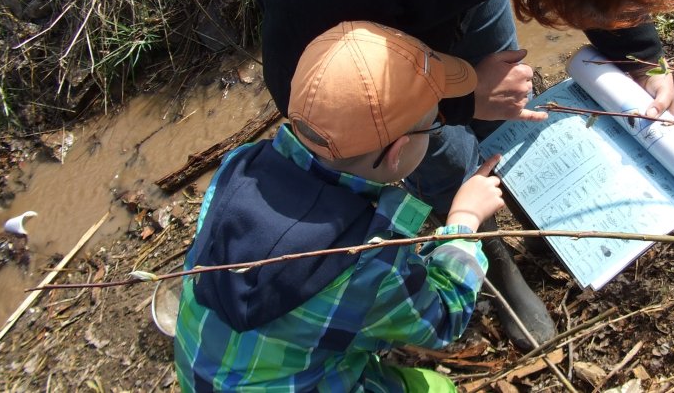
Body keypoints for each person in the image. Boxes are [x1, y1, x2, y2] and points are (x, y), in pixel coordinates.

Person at [242, 0, 674, 350]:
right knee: (446, 158)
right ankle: (491, 260)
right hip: (357, 39)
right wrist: (457, 101)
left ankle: (522, 203)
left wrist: (641, 57)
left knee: (502, 106)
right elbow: (306, 92)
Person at [174, 21, 506, 391]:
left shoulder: (239, 166)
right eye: (436, 123)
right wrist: (463, 221)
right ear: (398, 152)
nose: (437, 127)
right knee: (437, 388)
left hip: (200, 376)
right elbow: (442, 319)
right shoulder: (367, 258)